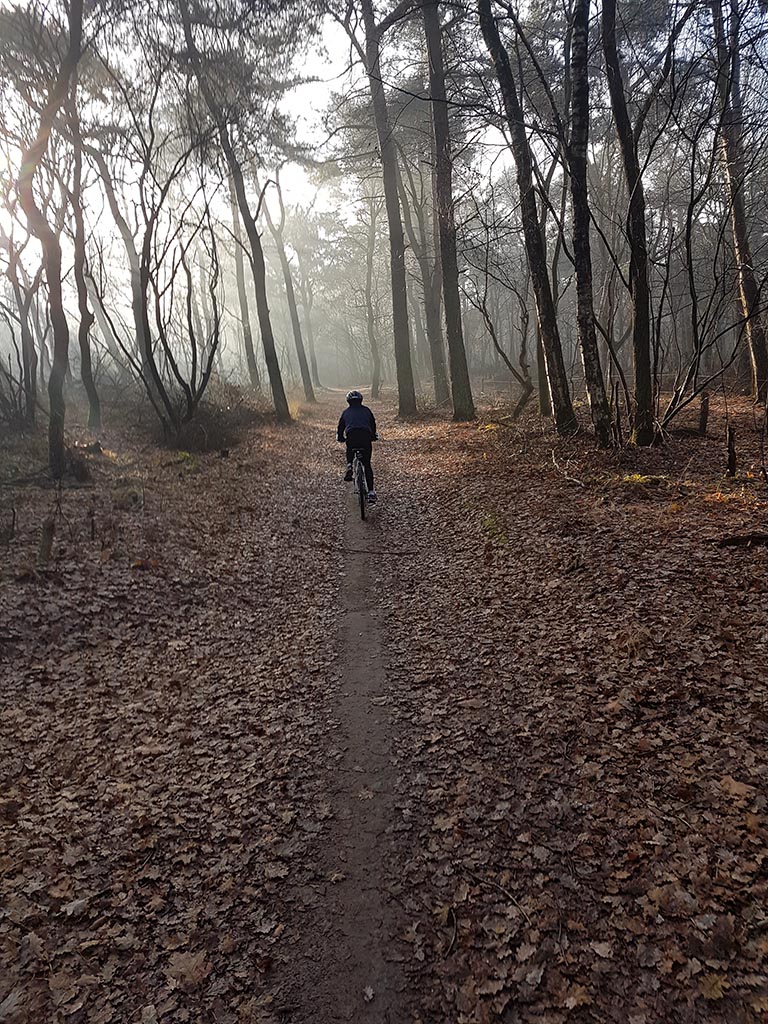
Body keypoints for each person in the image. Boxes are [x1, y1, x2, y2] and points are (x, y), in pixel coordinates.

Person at [337, 390, 378, 503]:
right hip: (365, 437)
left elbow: (341, 427)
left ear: (348, 401)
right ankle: (370, 492)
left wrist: (340, 437)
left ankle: (349, 465)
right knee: (367, 464)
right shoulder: (367, 411)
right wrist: (373, 435)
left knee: (350, 446)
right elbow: (372, 424)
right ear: (360, 400)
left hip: (352, 436)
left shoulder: (345, 412)